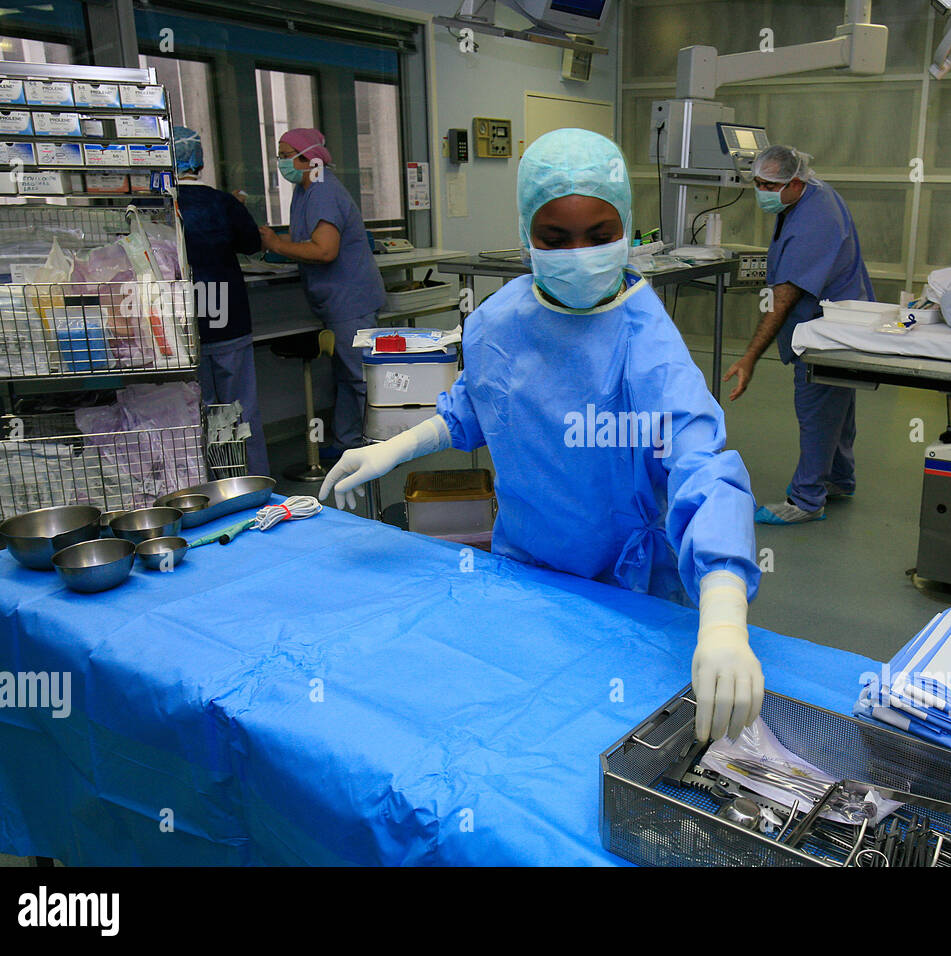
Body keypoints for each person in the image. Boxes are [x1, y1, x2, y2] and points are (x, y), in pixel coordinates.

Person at [319, 129, 762, 741]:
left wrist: (721, 617)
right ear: (526, 233)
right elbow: (472, 410)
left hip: (623, 585)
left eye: (601, 237)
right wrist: (393, 448)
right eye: (555, 240)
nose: (579, 255)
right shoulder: (500, 320)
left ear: (628, 228)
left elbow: (702, 465)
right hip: (524, 569)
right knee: (518, 734)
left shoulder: (645, 342)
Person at [722, 145, 874, 524]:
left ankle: (806, 501)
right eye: (756, 183)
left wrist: (750, 357)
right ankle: (840, 478)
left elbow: (784, 297)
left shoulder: (813, 221)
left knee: (817, 410)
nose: (761, 192)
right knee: (838, 404)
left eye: (768, 185)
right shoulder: (814, 194)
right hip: (841, 316)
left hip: (826, 328)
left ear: (794, 182)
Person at [260, 128, 386, 454]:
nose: (280, 162)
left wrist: (277, 244)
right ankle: (348, 442)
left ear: (309, 158)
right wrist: (274, 246)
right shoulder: (305, 190)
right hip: (335, 300)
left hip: (350, 298)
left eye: (286, 155)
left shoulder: (323, 190)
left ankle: (375, 447)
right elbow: (301, 240)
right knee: (346, 376)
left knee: (359, 378)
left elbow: (325, 250)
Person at [172, 126, 269, 477]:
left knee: (191, 413)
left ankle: (204, 488)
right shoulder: (223, 203)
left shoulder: (162, 206)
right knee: (240, 409)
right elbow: (251, 243)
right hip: (228, 318)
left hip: (179, 327)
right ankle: (253, 485)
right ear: (199, 162)